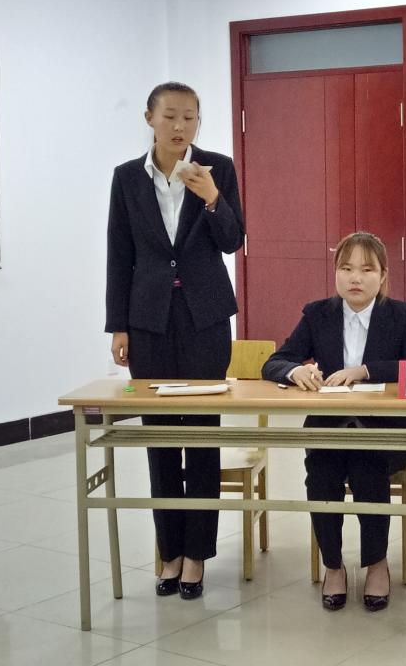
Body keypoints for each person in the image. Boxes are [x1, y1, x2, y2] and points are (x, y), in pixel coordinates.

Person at [105, 81, 244, 600]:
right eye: (170, 116)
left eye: (190, 117)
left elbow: (232, 240)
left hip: (205, 319)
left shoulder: (218, 168)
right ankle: (169, 549)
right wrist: (118, 325)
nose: (180, 126)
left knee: (202, 436)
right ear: (150, 118)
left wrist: (212, 198)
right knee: (160, 437)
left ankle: (197, 555)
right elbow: (120, 254)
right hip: (149, 322)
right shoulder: (127, 177)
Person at [261, 231, 406, 612]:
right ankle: (333, 565)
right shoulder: (317, 314)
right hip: (330, 429)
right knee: (321, 474)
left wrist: (365, 370)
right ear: (336, 273)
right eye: (346, 268)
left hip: (385, 432)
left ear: (383, 276)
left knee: (367, 466)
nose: (355, 278)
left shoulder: (400, 315)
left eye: (367, 269)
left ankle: (376, 563)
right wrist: (294, 371)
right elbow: (274, 362)